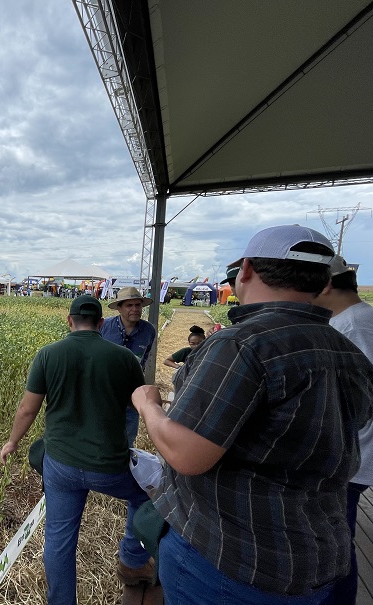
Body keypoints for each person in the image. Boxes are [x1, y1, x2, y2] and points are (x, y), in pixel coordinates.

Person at [131, 225, 373, 605]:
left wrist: (149, 405)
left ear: (245, 271)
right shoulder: (348, 351)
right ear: (325, 282)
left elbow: (186, 454)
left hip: (231, 560)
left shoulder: (240, 343)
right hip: (318, 556)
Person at [0, 295, 154, 604]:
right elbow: (140, 405)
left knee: (58, 539)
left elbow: (27, 410)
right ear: (100, 323)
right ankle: (133, 560)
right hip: (109, 466)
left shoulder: (48, 355)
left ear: (69, 321)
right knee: (149, 494)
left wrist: (13, 441)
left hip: (60, 466)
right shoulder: (124, 359)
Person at [315, 254, 373, 604]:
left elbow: (359, 396)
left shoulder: (351, 327)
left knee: (334, 544)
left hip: (352, 454)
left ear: (325, 285)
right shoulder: (360, 319)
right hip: (355, 452)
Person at [99, 286, 155, 445]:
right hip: (105, 392)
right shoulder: (104, 327)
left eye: (138, 305)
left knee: (128, 438)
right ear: (119, 308)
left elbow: (143, 360)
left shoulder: (148, 331)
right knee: (103, 436)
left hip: (132, 393)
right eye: (129, 305)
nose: (135, 309)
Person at [163, 325, 206, 394]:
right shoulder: (186, 351)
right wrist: (179, 367)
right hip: (186, 381)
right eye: (192, 343)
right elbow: (166, 361)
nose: (196, 346)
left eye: (199, 343)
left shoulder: (208, 352)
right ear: (189, 343)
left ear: (205, 342)